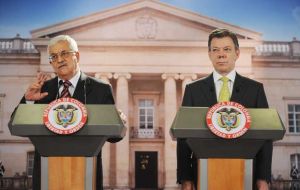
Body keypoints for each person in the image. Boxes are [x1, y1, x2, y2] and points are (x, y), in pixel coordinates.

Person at [18, 35, 122, 190]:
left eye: (64, 53)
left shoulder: (101, 89)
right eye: (54, 56)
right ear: (51, 62)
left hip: (86, 176)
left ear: (77, 56)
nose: (59, 60)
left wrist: (117, 122)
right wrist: (29, 101)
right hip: (47, 176)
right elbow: (18, 125)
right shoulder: (41, 89)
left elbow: (114, 137)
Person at [177, 28, 273, 190]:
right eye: (216, 50)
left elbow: (265, 135)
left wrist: (263, 178)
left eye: (227, 49)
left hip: (246, 173)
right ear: (209, 54)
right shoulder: (193, 90)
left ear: (237, 53)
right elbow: (184, 137)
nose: (221, 54)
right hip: (203, 174)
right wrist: (186, 179)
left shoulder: (255, 89)